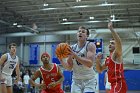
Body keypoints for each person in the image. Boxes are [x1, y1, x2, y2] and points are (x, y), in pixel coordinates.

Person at [58, 26, 97, 93]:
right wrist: (61, 60)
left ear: (87, 36)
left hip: (89, 79)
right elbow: (69, 67)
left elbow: (90, 64)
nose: (80, 33)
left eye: (83, 32)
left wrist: (75, 56)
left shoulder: (90, 45)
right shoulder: (71, 48)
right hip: (76, 80)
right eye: (79, 31)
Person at [96, 21, 127, 93]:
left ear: (116, 46)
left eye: (112, 43)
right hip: (113, 84)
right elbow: (100, 70)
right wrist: (97, 61)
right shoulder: (108, 59)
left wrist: (111, 29)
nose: (110, 45)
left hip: (119, 84)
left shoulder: (116, 54)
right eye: (109, 43)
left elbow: (119, 42)